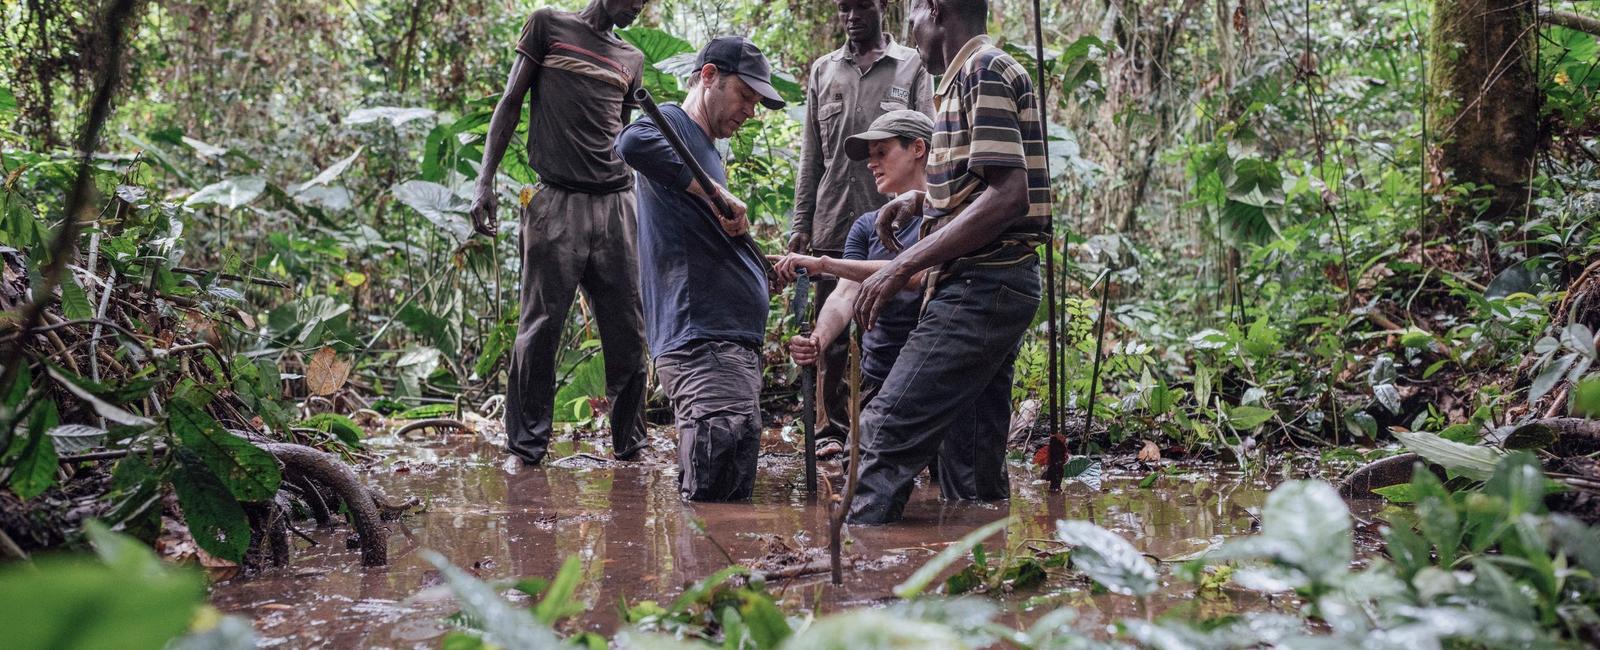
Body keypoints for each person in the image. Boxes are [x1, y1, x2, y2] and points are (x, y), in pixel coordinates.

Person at [846, 0, 1053, 525]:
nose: (908, 28)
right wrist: (921, 201)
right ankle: (981, 575)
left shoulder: (984, 69)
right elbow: (982, 183)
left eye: (911, 10)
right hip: (997, 282)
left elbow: (1008, 196)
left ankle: (858, 575)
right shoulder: (967, 77)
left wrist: (901, 265)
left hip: (982, 282)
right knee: (971, 462)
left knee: (885, 429)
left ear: (935, 9)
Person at [466, 0, 651, 467]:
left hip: (616, 204)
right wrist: (483, 182)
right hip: (555, 202)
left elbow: (623, 135)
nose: (638, 7)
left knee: (628, 331)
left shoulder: (631, 59)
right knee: (541, 328)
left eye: (646, 2)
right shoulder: (548, 25)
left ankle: (631, 447)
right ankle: (526, 450)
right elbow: (510, 102)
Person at [614, 36, 786, 501]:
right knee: (713, 485)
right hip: (701, 339)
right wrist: (712, 188)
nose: (750, 110)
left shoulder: (709, 150)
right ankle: (699, 568)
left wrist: (761, 265)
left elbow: (704, 236)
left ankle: (716, 570)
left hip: (728, 342)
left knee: (732, 484)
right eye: (745, 95)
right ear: (709, 76)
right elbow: (631, 141)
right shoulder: (671, 122)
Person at [790, 0, 934, 460]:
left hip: (910, 219)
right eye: (843, 7)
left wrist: (923, 198)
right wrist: (801, 223)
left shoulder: (912, 64)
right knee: (834, 332)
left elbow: (932, 135)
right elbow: (811, 155)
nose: (851, 16)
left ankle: (892, 426)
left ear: (882, 8)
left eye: (860, 6)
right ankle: (832, 428)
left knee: (905, 319)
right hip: (839, 218)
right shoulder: (823, 71)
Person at [771, 110, 933, 418]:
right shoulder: (866, 226)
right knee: (864, 463)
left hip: (930, 371)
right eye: (870, 156)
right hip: (878, 373)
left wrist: (824, 264)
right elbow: (845, 295)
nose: (872, 163)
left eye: (882, 153)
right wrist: (818, 339)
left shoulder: (947, 220)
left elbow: (915, 273)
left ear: (918, 148)